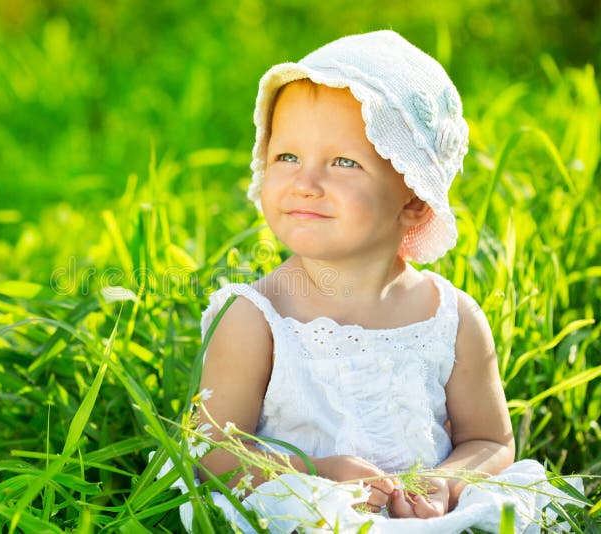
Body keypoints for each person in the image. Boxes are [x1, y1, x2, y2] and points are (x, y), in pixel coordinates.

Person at [181, 30, 579, 533]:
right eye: (287, 157)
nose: (306, 182)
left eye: (344, 162)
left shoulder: (450, 318)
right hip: (308, 513)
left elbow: (492, 442)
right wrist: (317, 475)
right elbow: (214, 452)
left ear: (413, 198)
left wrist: (445, 481)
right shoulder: (255, 317)